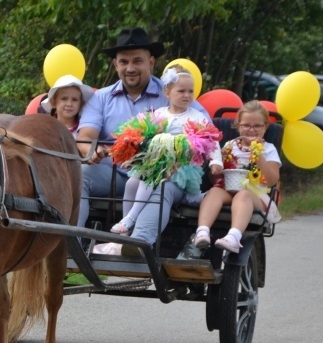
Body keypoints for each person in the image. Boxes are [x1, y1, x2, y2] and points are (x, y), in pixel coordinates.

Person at [76, 27, 210, 251]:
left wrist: (178, 156)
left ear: (151, 62)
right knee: (80, 174)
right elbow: (85, 138)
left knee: (160, 182)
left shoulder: (173, 92)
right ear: (115, 65)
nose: (130, 68)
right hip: (115, 176)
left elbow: (205, 134)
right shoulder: (101, 98)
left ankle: (136, 246)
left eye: (137, 61)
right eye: (123, 62)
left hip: (167, 175)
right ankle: (71, 244)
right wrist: (93, 151)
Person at [110, 65, 222, 234]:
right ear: (167, 93)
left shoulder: (197, 116)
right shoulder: (160, 113)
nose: (187, 95)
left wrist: (216, 161)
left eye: (190, 91)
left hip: (181, 165)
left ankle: (131, 218)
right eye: (181, 91)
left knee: (151, 176)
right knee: (132, 183)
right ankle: (125, 229)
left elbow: (210, 139)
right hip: (155, 161)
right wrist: (133, 147)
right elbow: (143, 134)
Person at [193, 100, 281, 253]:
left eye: (257, 126)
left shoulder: (268, 149)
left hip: (255, 195)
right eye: (246, 125)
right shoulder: (230, 146)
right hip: (228, 189)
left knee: (243, 195)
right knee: (214, 192)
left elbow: (272, 180)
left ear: (265, 126)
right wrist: (216, 170)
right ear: (238, 125)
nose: (251, 130)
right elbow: (215, 178)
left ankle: (233, 237)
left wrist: (258, 155)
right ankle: (202, 232)